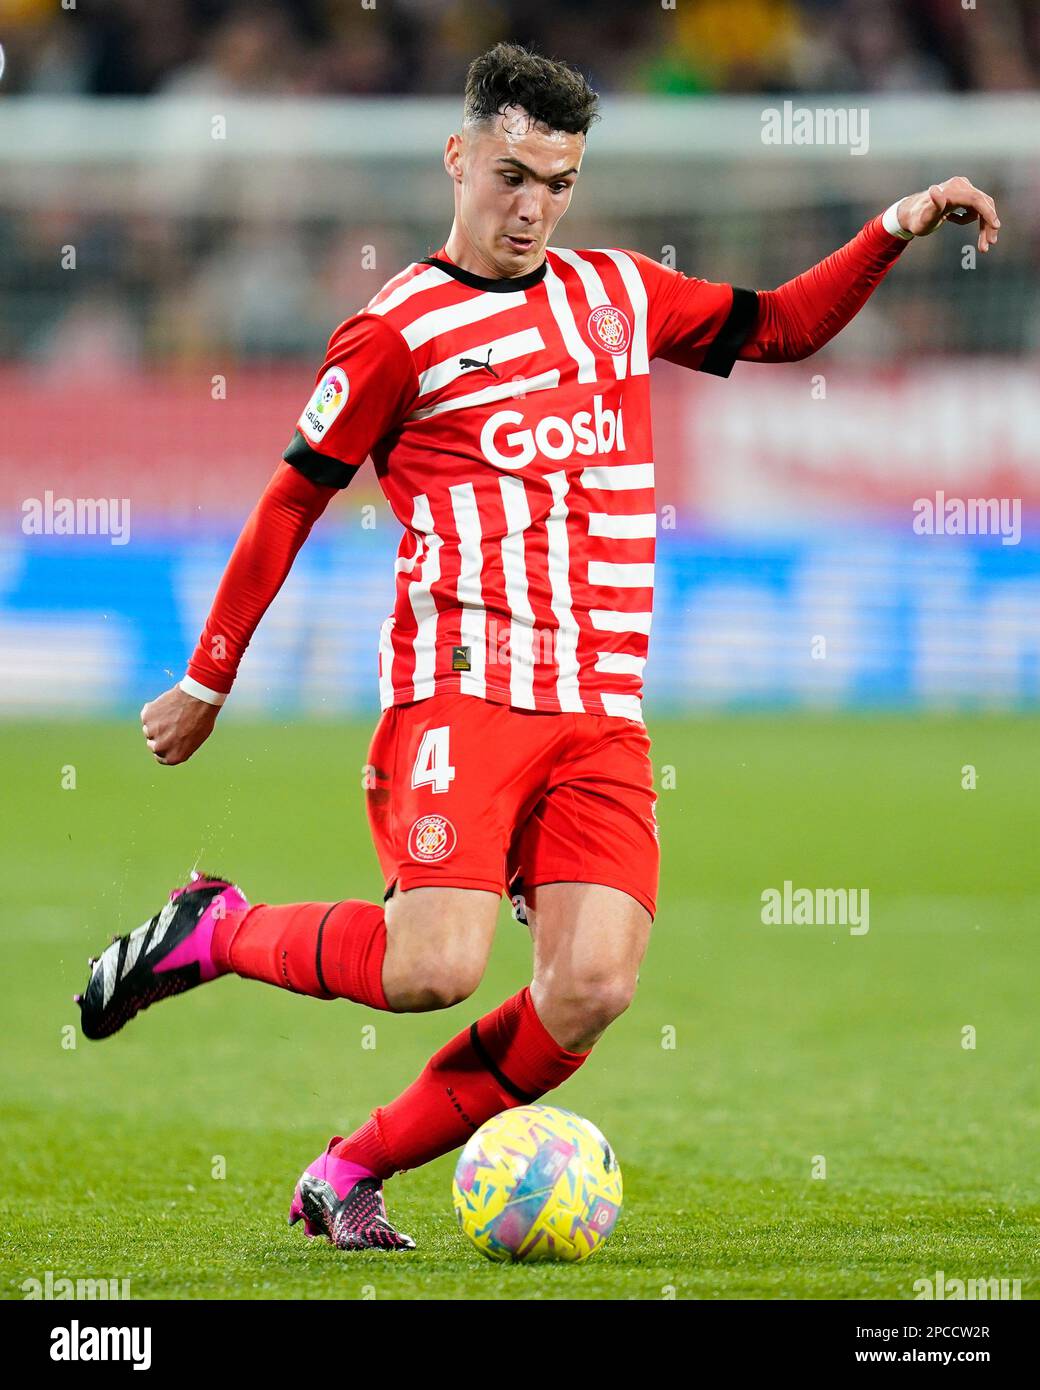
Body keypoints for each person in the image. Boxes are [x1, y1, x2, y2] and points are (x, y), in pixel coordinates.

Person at [77, 42, 1000, 1252]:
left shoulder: (614, 294)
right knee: (434, 968)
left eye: (558, 183)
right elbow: (289, 499)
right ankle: (216, 924)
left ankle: (346, 1172)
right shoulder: (394, 334)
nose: (532, 207)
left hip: (598, 708)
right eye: (512, 174)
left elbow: (779, 327)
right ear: (457, 157)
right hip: (462, 693)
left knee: (591, 988)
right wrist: (209, 676)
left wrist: (894, 222)